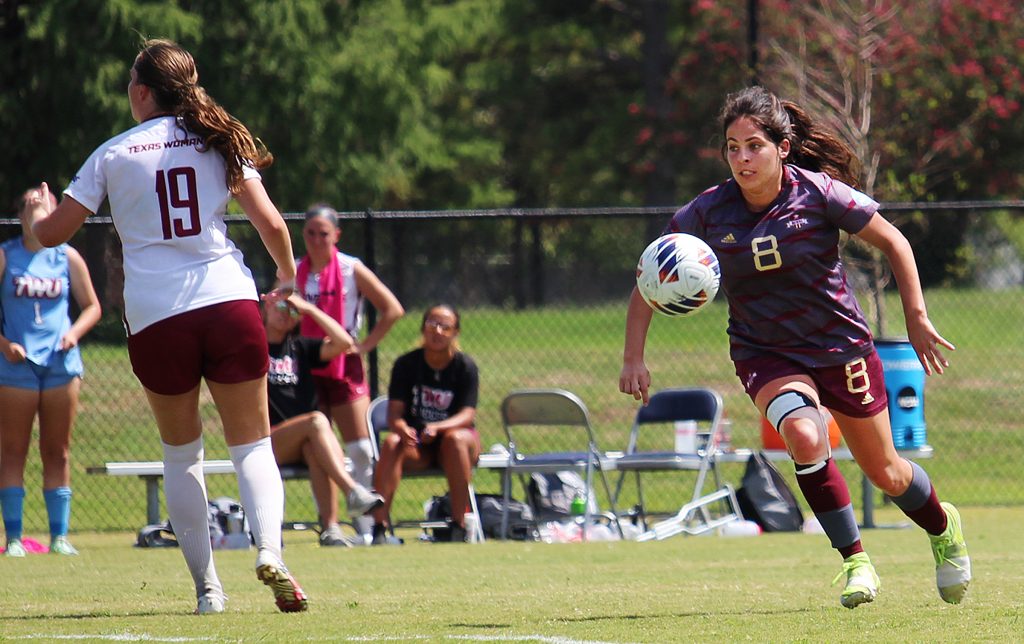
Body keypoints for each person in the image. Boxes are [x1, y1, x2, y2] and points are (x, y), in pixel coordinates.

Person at [619, 86, 970, 608]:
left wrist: (916, 318)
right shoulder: (707, 212)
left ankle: (944, 531)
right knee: (805, 438)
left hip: (842, 348)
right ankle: (855, 562)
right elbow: (652, 276)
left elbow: (896, 242)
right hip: (766, 352)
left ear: (782, 147)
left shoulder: (820, 193)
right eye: (732, 147)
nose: (742, 158)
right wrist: (633, 356)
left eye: (754, 145)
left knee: (888, 473)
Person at [32, 39, 306, 614]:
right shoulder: (220, 138)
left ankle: (208, 590)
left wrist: (37, 215)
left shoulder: (113, 152)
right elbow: (273, 225)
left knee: (182, 455)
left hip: (157, 316)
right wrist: (284, 277)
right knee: (252, 446)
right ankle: (271, 551)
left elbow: (53, 234)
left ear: (140, 91)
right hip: (228, 301)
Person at [1, 185, 101, 557]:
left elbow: (92, 306)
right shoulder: (6, 255)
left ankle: (59, 536)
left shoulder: (66, 256)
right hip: (16, 367)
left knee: (57, 451)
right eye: (29, 202)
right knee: (13, 451)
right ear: (20, 213)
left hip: (60, 366)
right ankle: (13, 538)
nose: (36, 207)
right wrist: (5, 345)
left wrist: (73, 334)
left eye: (43, 202)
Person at [297, 204, 404, 541]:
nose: (316, 240)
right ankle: (330, 525)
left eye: (323, 234)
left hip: (343, 361)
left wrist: (366, 345)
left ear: (336, 235)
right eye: (310, 233)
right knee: (321, 447)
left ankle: (370, 524)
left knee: (358, 446)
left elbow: (392, 309)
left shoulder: (350, 268)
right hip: (307, 361)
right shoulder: (296, 270)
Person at [263, 291, 383, 546]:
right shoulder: (253, 346)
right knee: (318, 421)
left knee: (314, 447)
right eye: (281, 306)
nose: (286, 313)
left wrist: (309, 308)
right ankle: (352, 491)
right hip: (266, 441)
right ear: (267, 304)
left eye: (292, 310)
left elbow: (343, 342)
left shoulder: (300, 347)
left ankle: (330, 529)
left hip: (304, 438)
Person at [370, 304, 480, 545]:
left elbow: (467, 415)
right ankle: (379, 527)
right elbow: (394, 414)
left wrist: (439, 428)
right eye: (432, 324)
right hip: (417, 444)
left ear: (455, 332)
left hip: (454, 444)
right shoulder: (406, 364)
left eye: (445, 327)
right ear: (423, 328)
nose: (437, 331)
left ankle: (459, 525)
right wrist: (402, 429)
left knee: (455, 440)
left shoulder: (465, 367)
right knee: (391, 442)